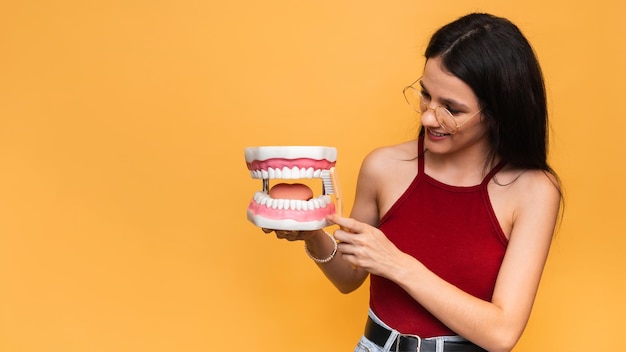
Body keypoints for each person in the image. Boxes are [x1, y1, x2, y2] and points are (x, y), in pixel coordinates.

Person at [267, 12, 562, 352]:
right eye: (425, 94)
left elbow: (501, 334)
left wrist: (397, 264)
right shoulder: (384, 167)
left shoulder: (534, 191)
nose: (426, 116)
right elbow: (349, 277)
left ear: (498, 112)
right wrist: (312, 235)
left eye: (451, 108)